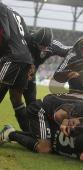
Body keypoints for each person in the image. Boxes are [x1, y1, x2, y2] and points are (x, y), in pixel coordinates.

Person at [0, 2, 33, 131]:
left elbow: (5, 35)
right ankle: (29, 133)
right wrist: (31, 62)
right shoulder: (16, 13)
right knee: (16, 99)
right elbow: (28, 38)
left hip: (11, 57)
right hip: (25, 59)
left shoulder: (0, 8)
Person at [23, 27, 70, 105]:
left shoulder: (53, 46)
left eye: (46, 46)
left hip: (30, 78)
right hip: (14, 73)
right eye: (42, 46)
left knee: (32, 105)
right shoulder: (25, 39)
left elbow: (71, 50)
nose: (44, 49)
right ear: (36, 41)